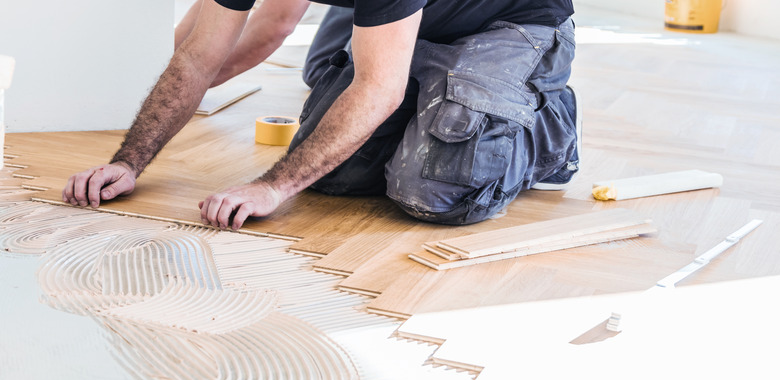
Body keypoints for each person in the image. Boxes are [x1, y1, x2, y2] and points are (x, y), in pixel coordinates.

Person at [62, 0, 579, 231]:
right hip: (413, 24)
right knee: (335, 178)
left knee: (434, 196)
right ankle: (445, 103)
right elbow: (204, 54)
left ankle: (545, 122)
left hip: (509, 24)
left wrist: (270, 187)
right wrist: (130, 159)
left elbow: (379, 88)